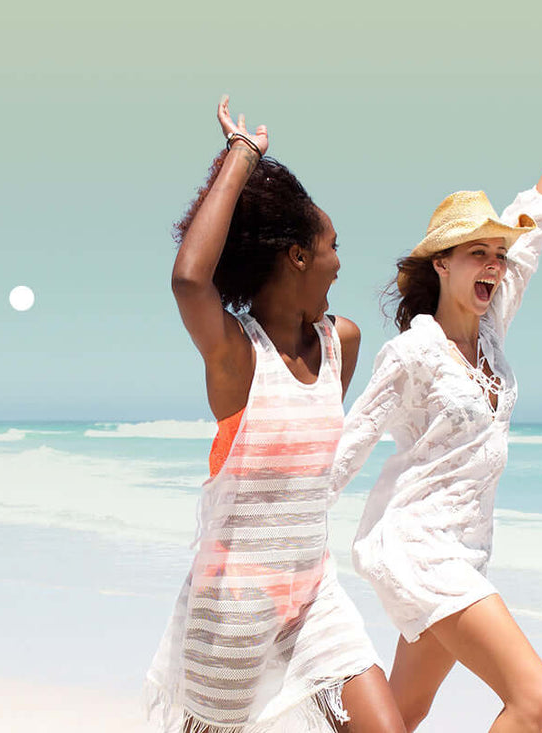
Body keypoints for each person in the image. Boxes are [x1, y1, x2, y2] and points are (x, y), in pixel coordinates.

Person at [330, 68, 542, 733]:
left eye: (499, 254)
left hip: (467, 548)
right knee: (536, 699)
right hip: (421, 547)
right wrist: (274, 541)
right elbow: (347, 449)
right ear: (442, 263)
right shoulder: (413, 352)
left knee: (401, 713)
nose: (495, 265)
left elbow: (537, 218)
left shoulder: (492, 326)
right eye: (479, 253)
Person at [145, 96, 405, 733]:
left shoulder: (340, 343)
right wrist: (242, 155)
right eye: (332, 247)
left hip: (313, 593)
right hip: (233, 607)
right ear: (297, 255)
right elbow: (189, 281)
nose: (340, 262)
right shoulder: (238, 359)